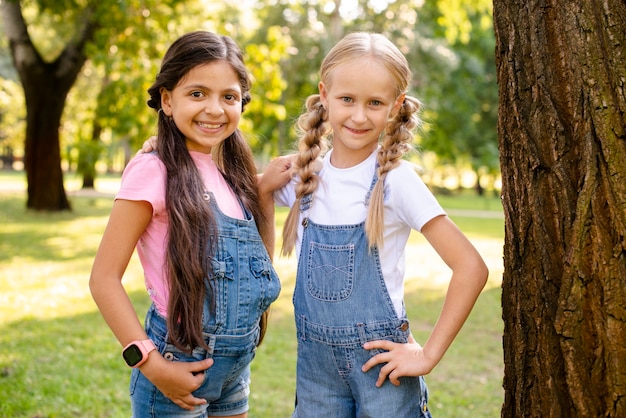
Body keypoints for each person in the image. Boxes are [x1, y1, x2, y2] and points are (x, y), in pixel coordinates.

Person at [264, 32, 489, 417]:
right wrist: (260, 186)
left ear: (395, 106)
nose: (358, 115)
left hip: (382, 373)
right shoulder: (304, 175)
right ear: (324, 94)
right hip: (316, 376)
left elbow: (471, 267)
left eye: (375, 103)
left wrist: (427, 354)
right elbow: (233, 200)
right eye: (347, 99)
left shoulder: (396, 181)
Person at [89, 31, 281, 418]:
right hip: (173, 363)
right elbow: (103, 278)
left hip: (234, 372)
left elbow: (255, 270)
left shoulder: (231, 174)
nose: (214, 108)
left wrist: (264, 198)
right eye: (197, 94)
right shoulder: (153, 169)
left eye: (228, 97)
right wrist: (151, 364)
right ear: (166, 100)